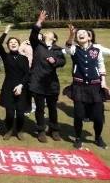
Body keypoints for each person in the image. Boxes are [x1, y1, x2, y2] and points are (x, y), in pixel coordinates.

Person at [66, 26, 108, 149]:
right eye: (79, 33)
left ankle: (98, 137)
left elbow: (101, 66)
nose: (81, 34)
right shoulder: (74, 49)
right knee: (78, 115)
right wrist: (71, 34)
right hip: (79, 86)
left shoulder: (97, 50)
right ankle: (78, 138)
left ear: (89, 37)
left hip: (95, 87)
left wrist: (103, 82)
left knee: (98, 117)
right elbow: (68, 47)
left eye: (83, 32)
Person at [29, 10, 66, 143]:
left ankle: (54, 129)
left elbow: (63, 62)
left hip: (51, 84)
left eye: (50, 33)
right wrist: (40, 21)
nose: (47, 32)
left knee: (52, 108)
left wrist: (55, 61)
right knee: (39, 108)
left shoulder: (57, 49)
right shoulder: (37, 45)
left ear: (54, 38)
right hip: (37, 82)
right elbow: (33, 34)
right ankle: (40, 131)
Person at [0, 25, 30, 141]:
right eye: (10, 42)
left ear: (18, 44)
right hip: (8, 87)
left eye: (15, 42)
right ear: (8, 45)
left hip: (22, 87)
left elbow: (27, 74)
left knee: (21, 113)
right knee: (10, 113)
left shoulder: (24, 58)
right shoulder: (6, 57)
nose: (13, 43)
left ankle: (19, 130)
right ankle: (9, 130)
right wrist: (5, 32)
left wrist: (21, 85)